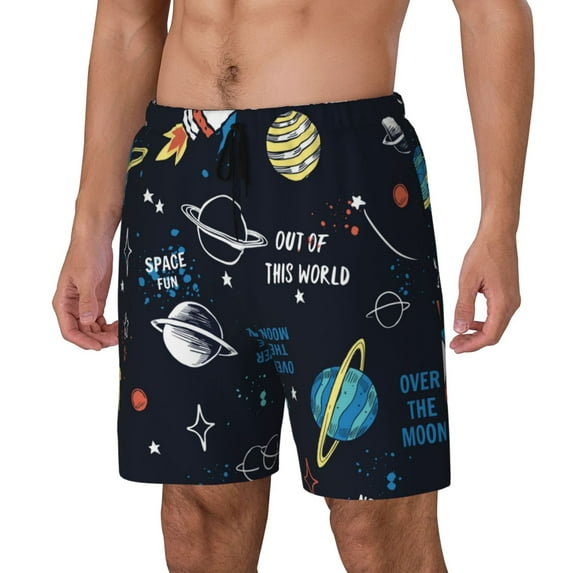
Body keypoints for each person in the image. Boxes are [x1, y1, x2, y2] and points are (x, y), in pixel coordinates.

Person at [52, 0, 534, 571]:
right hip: (178, 174)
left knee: (375, 518)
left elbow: (492, 14)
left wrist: (500, 225)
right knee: (199, 514)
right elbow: (127, 23)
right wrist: (90, 226)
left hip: (339, 180)